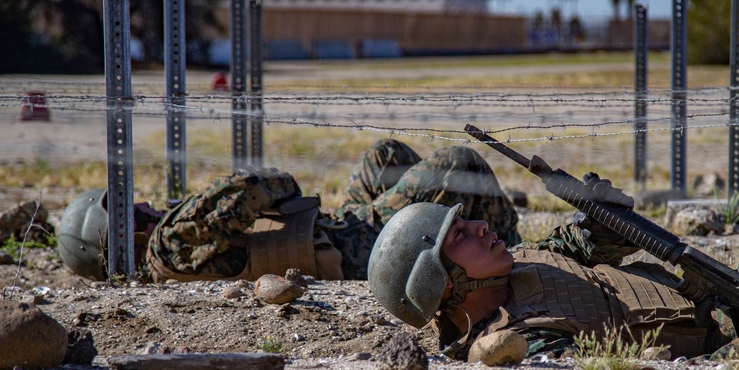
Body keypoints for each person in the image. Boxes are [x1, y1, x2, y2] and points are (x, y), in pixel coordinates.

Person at [367, 184, 739, 360]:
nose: (482, 226)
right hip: (730, 336)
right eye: (460, 235)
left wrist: (602, 214)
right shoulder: (522, 343)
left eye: (468, 221)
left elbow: (575, 244)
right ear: (442, 283)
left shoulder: (522, 260)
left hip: (722, 294)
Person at [57, 138, 519, 283]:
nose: (142, 204)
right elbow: (262, 186)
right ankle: (507, 246)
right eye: (129, 212)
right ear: (117, 238)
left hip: (333, 231)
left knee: (385, 154)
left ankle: (459, 234)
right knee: (459, 161)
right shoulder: (167, 244)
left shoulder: (174, 251)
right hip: (358, 247)